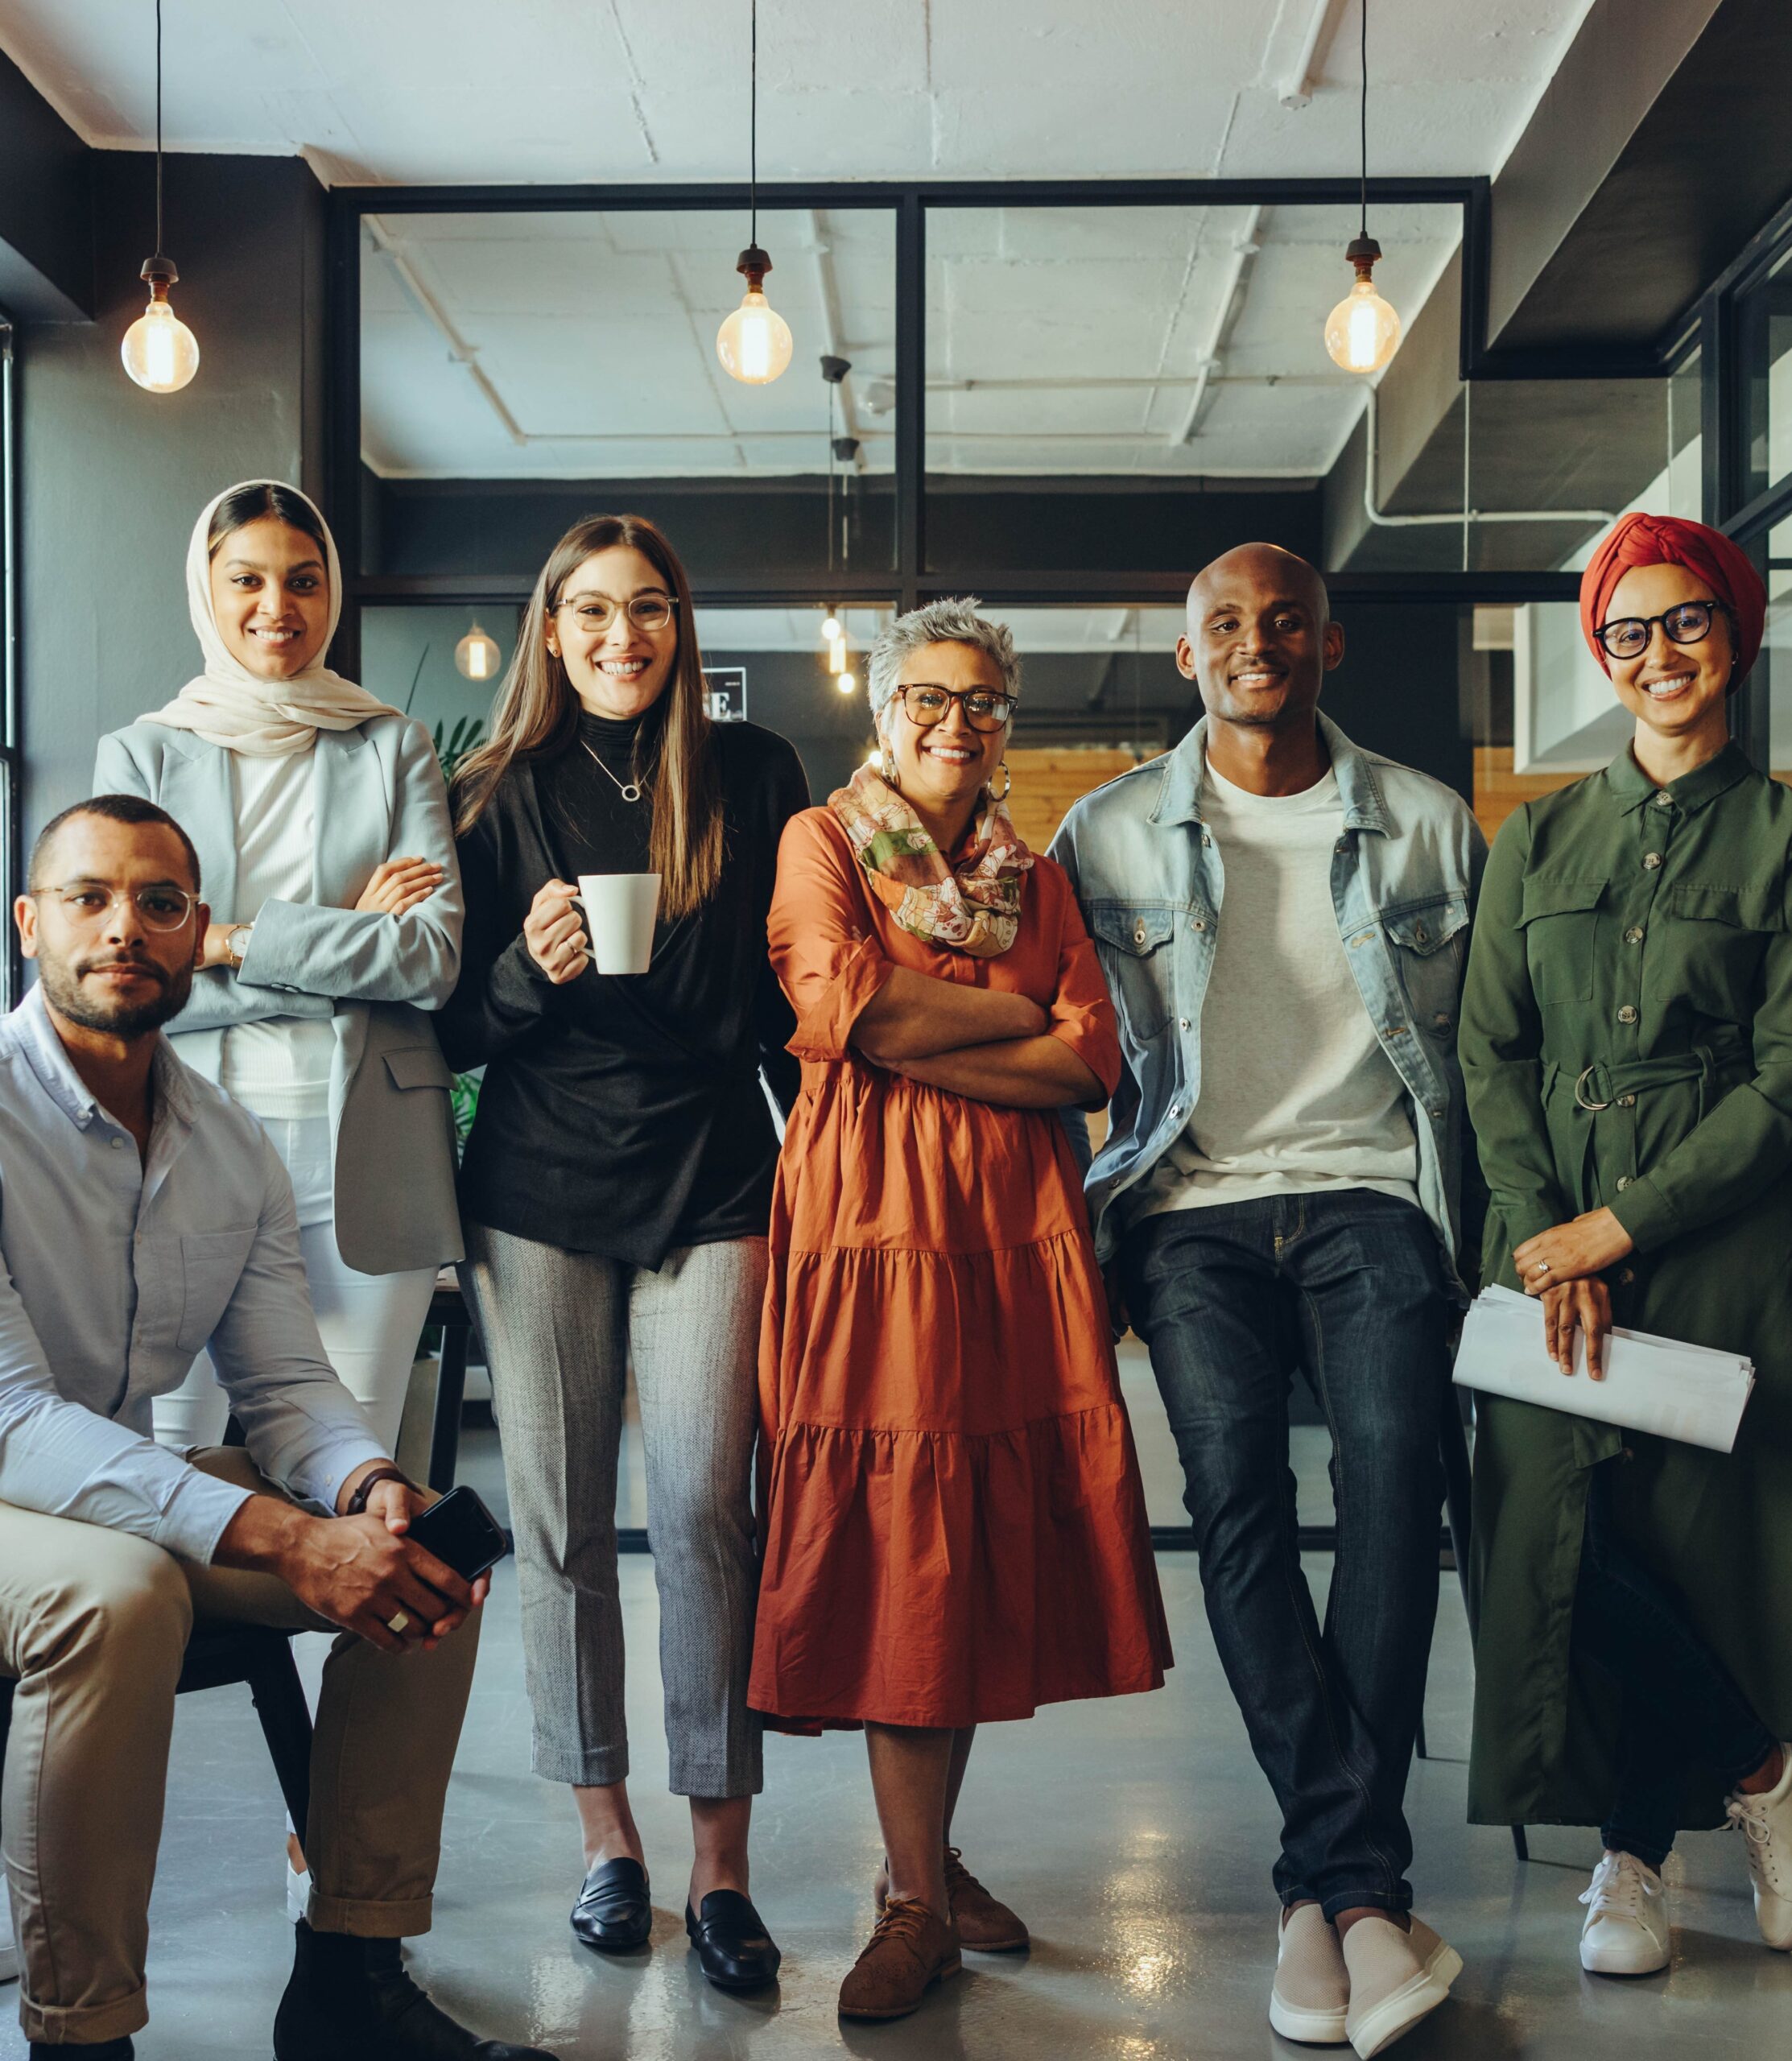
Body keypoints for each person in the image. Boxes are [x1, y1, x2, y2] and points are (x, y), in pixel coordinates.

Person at [0, 795, 552, 2061]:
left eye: (159, 903)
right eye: (88, 897)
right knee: (123, 1590)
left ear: (200, 935)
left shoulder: (226, 1143)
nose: (123, 928)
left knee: (428, 1547)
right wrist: (283, 1541)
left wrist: (360, 1492)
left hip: (111, 1486)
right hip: (14, 1494)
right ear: (31, 924)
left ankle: (352, 1979)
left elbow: (285, 1383)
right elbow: (14, 1417)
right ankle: (81, 2035)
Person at [1050, 544, 1482, 2058]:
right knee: (1231, 1495)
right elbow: (1068, 1055)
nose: (1256, 645)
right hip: (1192, 1211)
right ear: (1185, 657)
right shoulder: (1100, 836)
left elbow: (1472, 1055)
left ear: (1328, 643)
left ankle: (1329, 1893)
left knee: (1393, 1482)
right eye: (1224, 626)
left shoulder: (1428, 823)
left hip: (1372, 1194)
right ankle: (1362, 1889)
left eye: (1282, 621)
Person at [752, 598, 1171, 2022]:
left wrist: (929, 1015)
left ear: (1008, 723)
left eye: (982, 701)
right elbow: (844, 1008)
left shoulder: (1033, 876)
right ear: (883, 713)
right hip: (874, 1233)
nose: (955, 721)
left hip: (1007, 1230)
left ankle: (918, 1870)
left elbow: (1092, 1062)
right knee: (898, 1535)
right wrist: (1007, 1021)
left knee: (975, 1531)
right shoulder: (822, 843)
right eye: (927, 697)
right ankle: (918, 1896)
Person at [440, 514, 807, 1993]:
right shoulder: (492, 794)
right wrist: (529, 973)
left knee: (709, 1506)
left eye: (647, 607)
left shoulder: (757, 772)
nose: (620, 634)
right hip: (535, 1189)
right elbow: (454, 1025)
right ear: (550, 627)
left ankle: (720, 1863)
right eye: (590, 610)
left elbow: (786, 998)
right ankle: (607, 1838)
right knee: (560, 1521)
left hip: (716, 1178)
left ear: (680, 625)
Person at [97, 479, 463, 1919]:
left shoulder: (390, 740)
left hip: (360, 1164)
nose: (275, 608)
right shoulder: (146, 748)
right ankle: (111, 1825)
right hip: (183, 1160)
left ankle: (333, 1839)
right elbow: (140, 973)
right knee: (169, 1500)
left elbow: (427, 959)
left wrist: (238, 935)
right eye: (246, 579)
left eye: (302, 578)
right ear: (209, 587)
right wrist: (319, 937)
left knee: (351, 1500)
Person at [1460, 513, 1792, 1978]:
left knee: (1705, 1541)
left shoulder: (1786, 836)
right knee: (1551, 1543)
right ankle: (1758, 1771)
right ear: (1597, 654)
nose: (1656, 653)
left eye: (1685, 622)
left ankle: (1637, 1856)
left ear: (1738, 633)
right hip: (1546, 1253)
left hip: (1728, 1245)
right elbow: (1489, 1053)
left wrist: (1627, 1222)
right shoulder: (1534, 835)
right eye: (1626, 631)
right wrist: (1548, 1232)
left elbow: (1789, 1078)